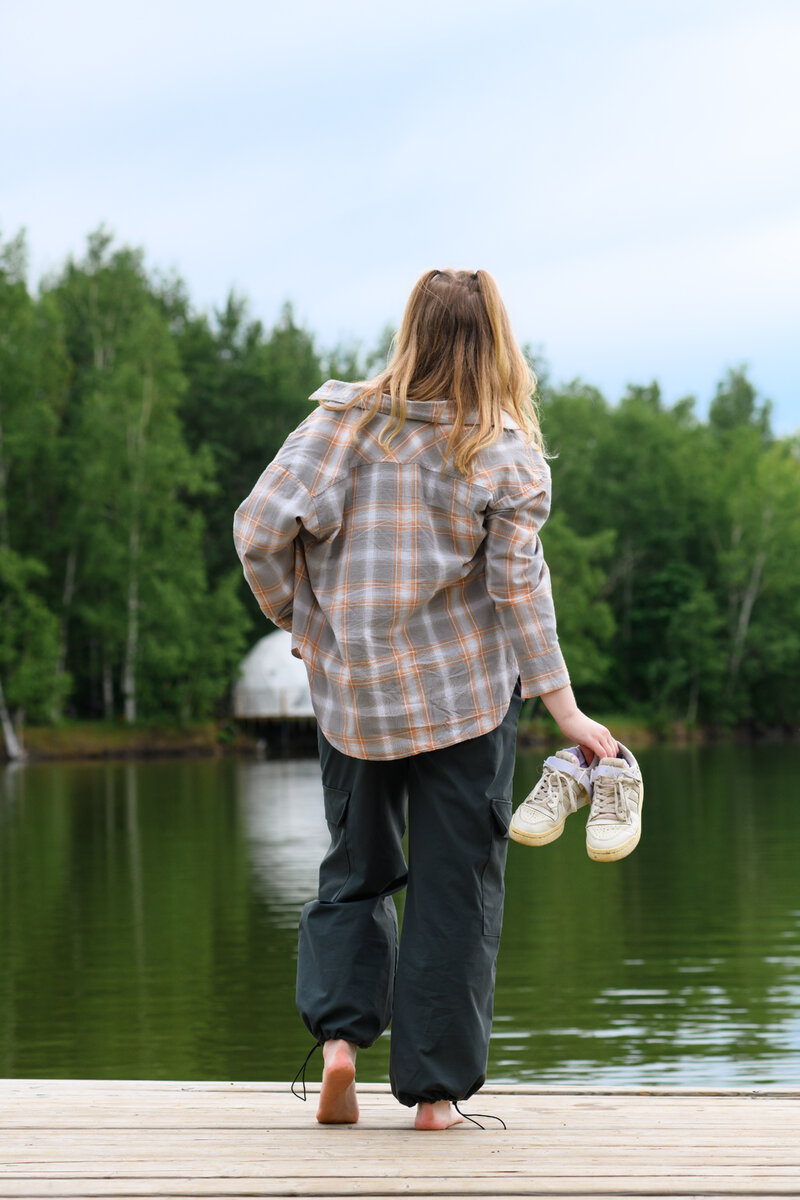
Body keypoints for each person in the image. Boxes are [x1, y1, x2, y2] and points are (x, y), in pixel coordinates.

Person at [233, 268, 621, 1131]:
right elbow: (521, 591)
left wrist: (300, 621)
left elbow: (258, 528)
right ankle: (435, 1098)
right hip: (466, 701)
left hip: (353, 697)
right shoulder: (505, 450)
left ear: (411, 329)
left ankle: (340, 1045)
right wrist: (567, 713)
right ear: (499, 342)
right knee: (457, 886)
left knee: (355, 868)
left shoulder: (338, 424)